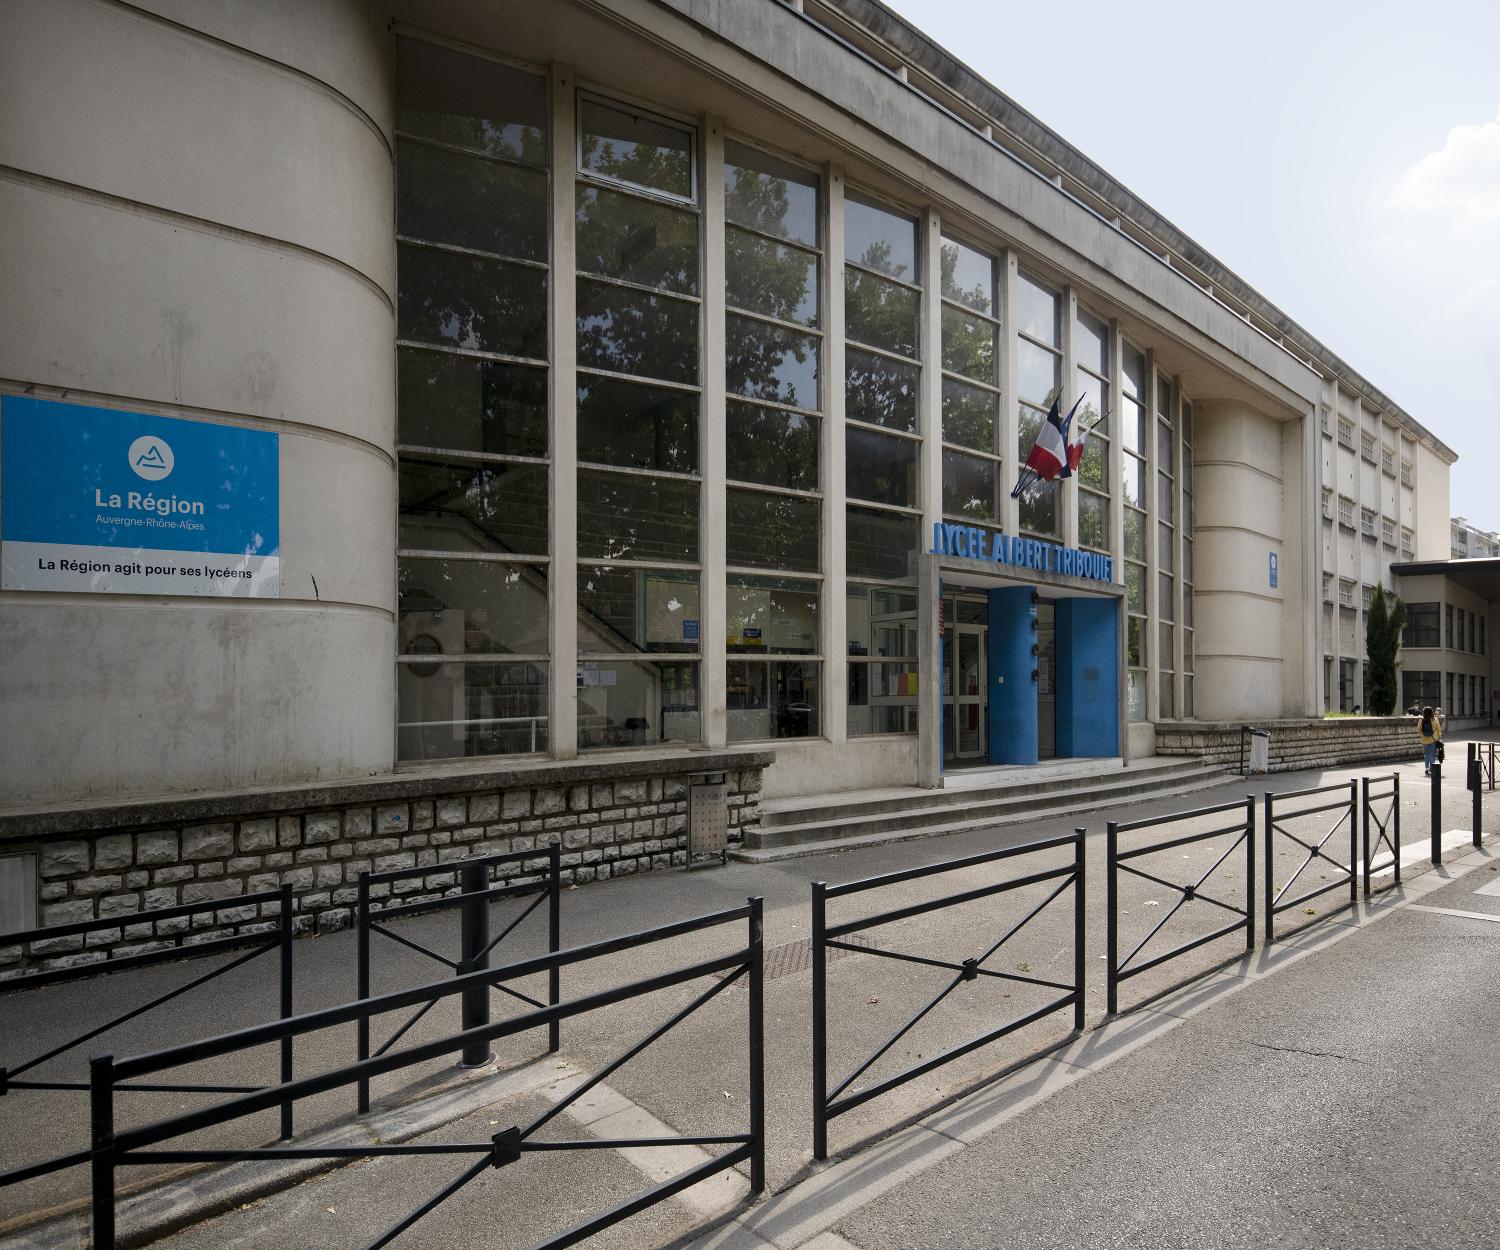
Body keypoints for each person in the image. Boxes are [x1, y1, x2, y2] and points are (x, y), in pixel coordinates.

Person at [1419, 705, 1443, 775]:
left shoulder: (1421, 720)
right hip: (1433, 739)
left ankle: (1426, 768)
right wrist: (1439, 737)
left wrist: (1423, 736)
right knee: (1432, 754)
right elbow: (1439, 730)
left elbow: (1418, 730)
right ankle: (1431, 769)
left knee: (1426, 754)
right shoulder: (1435, 720)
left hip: (1424, 740)